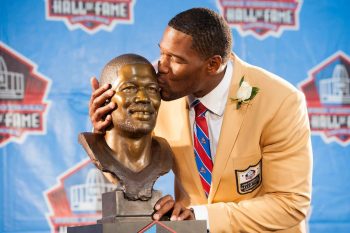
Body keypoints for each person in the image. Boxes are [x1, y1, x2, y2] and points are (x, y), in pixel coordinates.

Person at [89, 8, 313, 233]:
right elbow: (128, 174)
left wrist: (200, 215)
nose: (161, 68)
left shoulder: (280, 101)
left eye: (176, 59)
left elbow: (289, 203)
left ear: (213, 65)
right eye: (162, 53)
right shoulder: (156, 95)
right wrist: (110, 134)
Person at [81, 54, 173, 201]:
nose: (143, 98)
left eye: (152, 89)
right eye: (129, 88)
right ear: (104, 98)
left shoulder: (163, 150)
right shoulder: (98, 148)